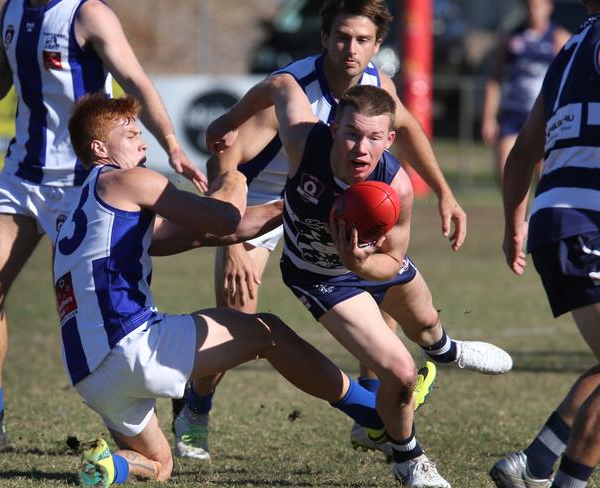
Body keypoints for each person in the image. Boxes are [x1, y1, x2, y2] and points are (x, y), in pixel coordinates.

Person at [58, 93, 413, 488]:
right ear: (99, 147)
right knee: (268, 333)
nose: (142, 142)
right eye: (131, 134)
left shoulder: (83, 203)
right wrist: (236, 176)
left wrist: (293, 207)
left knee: (158, 465)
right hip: (130, 344)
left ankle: (111, 468)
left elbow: (197, 234)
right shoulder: (131, 179)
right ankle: (372, 416)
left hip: (88, 372)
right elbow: (225, 217)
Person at [173, 0, 469, 460]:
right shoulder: (295, 90)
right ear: (325, 39)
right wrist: (231, 232)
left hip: (327, 205)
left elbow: (407, 129)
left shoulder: (377, 88)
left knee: (377, 277)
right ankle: (196, 405)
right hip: (258, 205)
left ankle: (373, 410)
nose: (352, 49)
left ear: (377, 45)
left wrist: (445, 193)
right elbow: (227, 157)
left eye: (363, 40)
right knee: (239, 321)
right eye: (343, 37)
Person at [208, 77, 515, 485]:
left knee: (425, 325)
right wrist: (228, 121)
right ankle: (410, 460)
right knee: (402, 373)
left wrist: (361, 263)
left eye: (373, 138)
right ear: (333, 128)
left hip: (372, 265)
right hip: (320, 277)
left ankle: (444, 352)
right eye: (351, 135)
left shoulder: (396, 185)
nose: (361, 148)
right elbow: (282, 85)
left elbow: (392, 261)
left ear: (389, 139)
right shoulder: (304, 141)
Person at [0, 0, 207, 447]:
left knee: (108, 293)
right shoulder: (12, 11)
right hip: (21, 176)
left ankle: (174, 384)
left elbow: (135, 81)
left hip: (81, 183)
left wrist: (170, 143)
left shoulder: (88, 14)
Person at [490, 2, 600, 487]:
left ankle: (536, 460)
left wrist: (516, 224)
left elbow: (522, 154)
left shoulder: (569, 50)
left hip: (562, 220)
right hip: (585, 221)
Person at [481, 0, 569, 185]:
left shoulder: (558, 37)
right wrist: (488, 117)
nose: (532, 10)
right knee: (506, 169)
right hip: (514, 114)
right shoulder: (511, 38)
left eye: (537, 5)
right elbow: (495, 78)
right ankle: (517, 213)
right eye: (529, 6)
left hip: (545, 115)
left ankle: (536, 213)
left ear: (549, 7)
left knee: (544, 173)